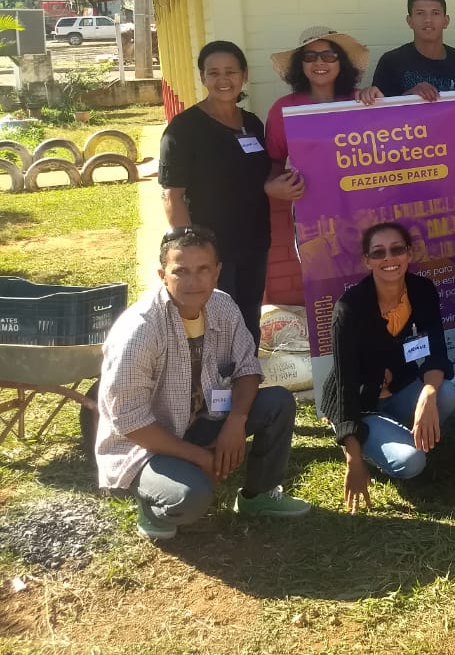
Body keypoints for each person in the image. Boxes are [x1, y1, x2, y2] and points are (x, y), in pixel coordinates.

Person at [95, 227, 311, 540]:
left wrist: (236, 422)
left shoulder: (223, 306)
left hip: (204, 420)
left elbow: (247, 368)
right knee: (190, 497)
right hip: (147, 444)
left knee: (277, 403)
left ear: (217, 272)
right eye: (180, 271)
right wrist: (202, 459)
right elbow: (130, 422)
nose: (193, 282)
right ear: (162, 274)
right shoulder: (139, 330)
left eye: (203, 270)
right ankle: (151, 504)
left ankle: (259, 496)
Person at [159, 40, 298, 346]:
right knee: (216, 322)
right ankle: (215, 388)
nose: (223, 80)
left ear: (244, 75)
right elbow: (172, 196)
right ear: (203, 77)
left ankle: (247, 381)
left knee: (248, 317)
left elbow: (262, 175)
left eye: (231, 72)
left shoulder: (251, 123)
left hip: (253, 242)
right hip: (212, 250)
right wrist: (190, 250)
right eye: (214, 73)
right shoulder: (183, 130)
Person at [319, 222, 455, 512]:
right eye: (378, 252)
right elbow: (345, 386)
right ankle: (365, 440)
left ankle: (403, 433)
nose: (389, 259)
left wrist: (428, 395)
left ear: (409, 254)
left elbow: (437, 354)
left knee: (446, 394)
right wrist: (353, 460)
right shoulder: (349, 308)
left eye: (397, 249)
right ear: (367, 260)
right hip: (359, 403)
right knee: (412, 463)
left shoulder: (422, 290)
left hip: (399, 388)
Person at [264, 25, 380, 174]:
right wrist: (275, 184)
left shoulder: (360, 101)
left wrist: (380, 106)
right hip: (307, 195)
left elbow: (383, 150)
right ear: (300, 64)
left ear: (341, 63)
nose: (319, 62)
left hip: (358, 194)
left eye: (329, 56)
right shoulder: (284, 108)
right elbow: (275, 161)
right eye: (310, 56)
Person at [371, 0, 455, 99]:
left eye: (435, 13)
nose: (428, 20)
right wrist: (409, 96)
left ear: (446, 21)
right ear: (409, 21)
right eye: (420, 13)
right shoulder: (390, 62)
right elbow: (380, 113)